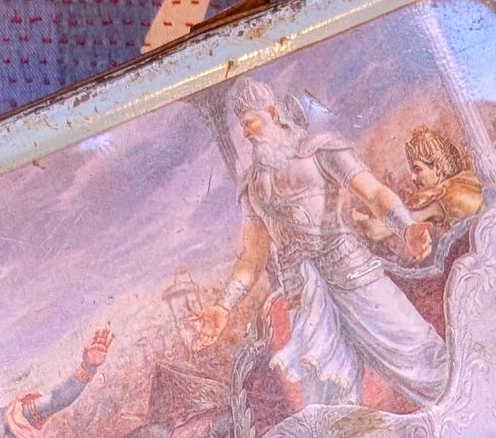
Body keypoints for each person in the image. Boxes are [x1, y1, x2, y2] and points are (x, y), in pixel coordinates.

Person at [192, 79, 448, 407]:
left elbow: (373, 193)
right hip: (303, 294)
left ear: (273, 113)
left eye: (249, 122)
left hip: (352, 271)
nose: (245, 133)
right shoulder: (252, 186)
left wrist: (406, 227)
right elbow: (253, 257)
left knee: (418, 353)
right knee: (328, 397)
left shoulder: (321, 151)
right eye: (241, 126)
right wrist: (223, 306)